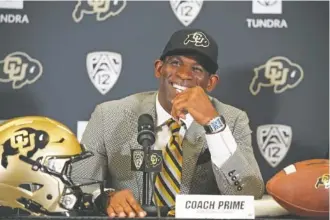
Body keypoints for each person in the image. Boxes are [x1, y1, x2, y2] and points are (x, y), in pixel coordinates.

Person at [73, 28, 265, 218]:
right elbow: (77, 183)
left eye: (197, 69)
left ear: (210, 83)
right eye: (175, 63)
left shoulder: (231, 120)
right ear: (159, 68)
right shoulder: (109, 115)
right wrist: (106, 197)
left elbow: (249, 194)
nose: (184, 74)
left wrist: (213, 124)